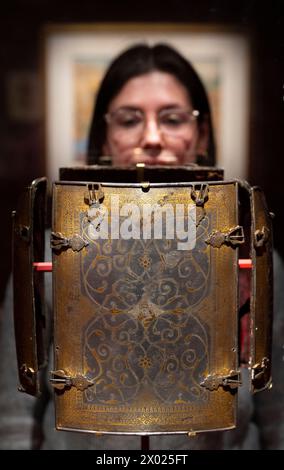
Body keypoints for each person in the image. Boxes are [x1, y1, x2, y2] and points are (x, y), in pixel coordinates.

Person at [0, 43, 283, 450]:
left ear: (200, 134)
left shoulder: (248, 260)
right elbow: (15, 414)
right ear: (105, 136)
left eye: (172, 118)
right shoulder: (48, 258)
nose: (152, 138)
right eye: (130, 119)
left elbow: (278, 411)